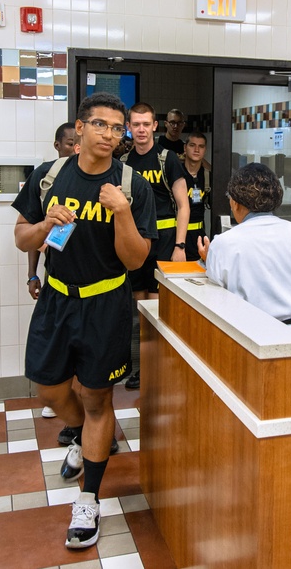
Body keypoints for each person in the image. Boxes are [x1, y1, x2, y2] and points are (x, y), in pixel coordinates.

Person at [12, 92, 157, 549]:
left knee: (97, 399)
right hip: (56, 300)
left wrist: (123, 211)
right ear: (79, 128)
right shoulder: (48, 176)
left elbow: (135, 260)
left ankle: (88, 500)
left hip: (106, 304)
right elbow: (21, 238)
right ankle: (78, 432)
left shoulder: (132, 185)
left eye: (118, 129)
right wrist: (43, 224)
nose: (110, 135)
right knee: (49, 387)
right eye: (101, 125)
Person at [197, 163, 291, 569]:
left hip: (263, 356)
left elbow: (219, 298)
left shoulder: (227, 244)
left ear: (234, 203)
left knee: (262, 462)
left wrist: (207, 260)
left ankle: (260, 544)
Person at [121, 102, 190, 389]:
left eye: (145, 124)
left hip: (165, 245)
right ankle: (142, 368)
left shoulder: (167, 158)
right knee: (139, 310)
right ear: (129, 127)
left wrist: (181, 244)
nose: (140, 129)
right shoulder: (124, 163)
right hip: (137, 244)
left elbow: (184, 204)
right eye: (135, 124)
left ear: (154, 126)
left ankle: (161, 369)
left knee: (159, 308)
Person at [26, 122, 78, 421]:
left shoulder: (99, 177)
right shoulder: (46, 177)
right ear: (57, 145)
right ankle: (61, 398)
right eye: (69, 143)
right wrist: (33, 274)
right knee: (55, 347)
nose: (74, 148)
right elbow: (30, 234)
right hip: (56, 281)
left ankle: (81, 421)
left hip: (93, 287)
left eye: (77, 142)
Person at [182, 132, 210, 261]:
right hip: (177, 236)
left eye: (201, 146)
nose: (197, 150)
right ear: (185, 148)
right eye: (192, 145)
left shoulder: (208, 176)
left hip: (199, 236)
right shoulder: (176, 174)